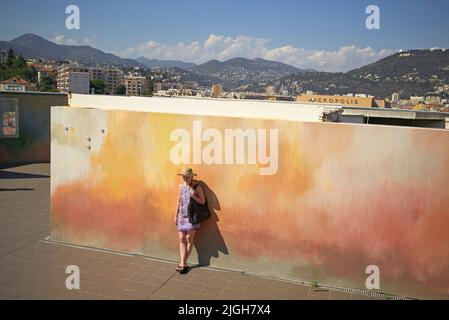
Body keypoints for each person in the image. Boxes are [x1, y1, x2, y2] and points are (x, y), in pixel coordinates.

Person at [174, 167, 206, 274]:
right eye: (183, 176)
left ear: (192, 177)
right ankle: (183, 263)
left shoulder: (197, 187)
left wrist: (193, 195)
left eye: (187, 176)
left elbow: (202, 201)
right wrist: (175, 215)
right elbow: (178, 201)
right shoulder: (180, 186)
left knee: (188, 238)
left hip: (192, 217)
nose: (185, 178)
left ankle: (182, 263)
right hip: (182, 216)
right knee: (182, 238)